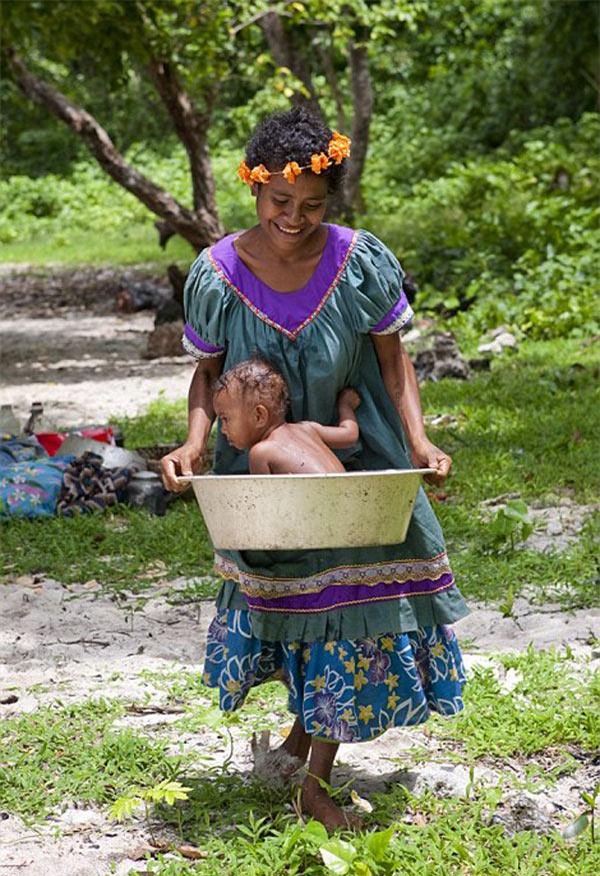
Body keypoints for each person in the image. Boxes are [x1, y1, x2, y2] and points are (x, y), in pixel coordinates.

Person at [161, 106, 469, 831]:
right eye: (279, 202)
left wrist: (420, 444)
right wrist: (193, 445)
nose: (294, 217)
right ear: (254, 187)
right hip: (267, 481)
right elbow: (207, 376)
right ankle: (303, 742)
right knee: (294, 603)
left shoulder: (359, 261)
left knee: (353, 608)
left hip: (359, 470)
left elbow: (396, 365)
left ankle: (311, 784)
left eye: (313, 205)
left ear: (332, 201)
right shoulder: (217, 274)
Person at [212, 356, 361, 474]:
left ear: (259, 416)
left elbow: (266, 505)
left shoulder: (261, 453)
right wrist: (345, 405)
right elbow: (350, 435)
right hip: (348, 501)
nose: (223, 429)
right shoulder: (307, 429)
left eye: (225, 419)